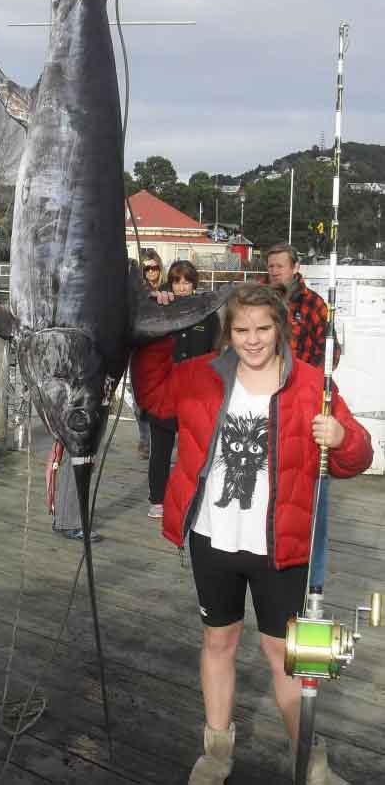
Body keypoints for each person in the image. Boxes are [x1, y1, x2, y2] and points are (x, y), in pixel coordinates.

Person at [131, 283, 371, 785]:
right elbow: (154, 398)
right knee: (218, 640)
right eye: (242, 330)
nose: (254, 339)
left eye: (263, 328)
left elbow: (358, 458)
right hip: (212, 539)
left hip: (279, 546)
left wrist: (344, 439)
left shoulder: (312, 385)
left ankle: (311, 762)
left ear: (280, 329)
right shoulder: (201, 376)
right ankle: (217, 750)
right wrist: (154, 335)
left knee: (284, 653)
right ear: (228, 333)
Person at [267, 241, 340, 594]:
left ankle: (314, 582)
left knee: (313, 493)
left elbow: (332, 353)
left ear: (296, 268)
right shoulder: (264, 302)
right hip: (267, 406)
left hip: (306, 406)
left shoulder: (313, 305)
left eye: (281, 265)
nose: (275, 271)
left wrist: (307, 382)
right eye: (271, 266)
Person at [146, 260, 221, 519]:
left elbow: (215, 351)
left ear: (194, 284)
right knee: (161, 449)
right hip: (165, 391)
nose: (181, 287)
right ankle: (157, 499)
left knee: (194, 448)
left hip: (196, 391)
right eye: (177, 281)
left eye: (187, 282)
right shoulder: (160, 308)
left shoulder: (207, 314)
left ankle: (192, 496)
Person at [133, 249, 165, 458]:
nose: (150, 272)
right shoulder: (137, 291)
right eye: (146, 269)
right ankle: (145, 439)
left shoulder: (167, 290)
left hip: (163, 349)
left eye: (154, 267)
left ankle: (161, 440)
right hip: (140, 348)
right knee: (138, 401)